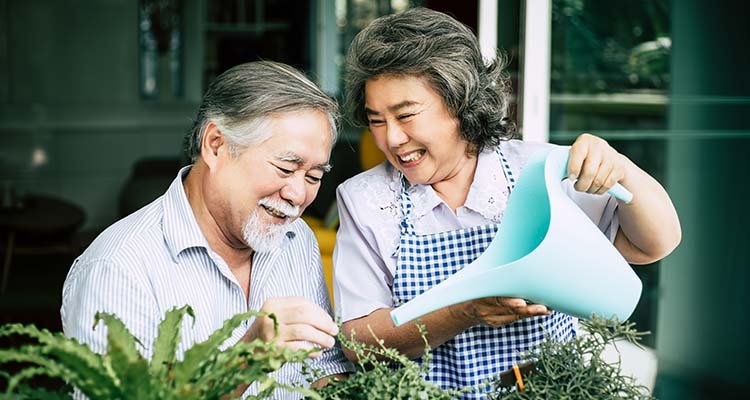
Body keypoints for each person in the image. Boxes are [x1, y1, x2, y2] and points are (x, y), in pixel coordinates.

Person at [333, 7, 681, 398]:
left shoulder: (540, 171)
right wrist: (461, 312)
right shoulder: (365, 200)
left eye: (406, 115)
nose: (391, 139)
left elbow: (653, 244)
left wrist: (622, 170)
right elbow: (358, 343)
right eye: (376, 120)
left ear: (460, 102)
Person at [61, 61, 352, 399]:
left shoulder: (297, 239)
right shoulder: (117, 267)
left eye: (314, 177)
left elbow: (326, 370)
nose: (299, 195)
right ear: (216, 145)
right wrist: (247, 357)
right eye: (286, 168)